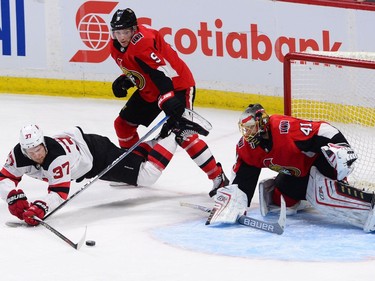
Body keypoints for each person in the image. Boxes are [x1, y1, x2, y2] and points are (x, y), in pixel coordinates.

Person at [0, 120, 212, 226]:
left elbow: (59, 193)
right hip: (88, 157)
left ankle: (174, 134)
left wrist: (40, 208)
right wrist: (11, 196)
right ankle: (162, 137)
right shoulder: (19, 155)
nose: (35, 154)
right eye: (30, 151)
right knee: (133, 162)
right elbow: (4, 177)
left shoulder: (57, 158)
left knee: (146, 176)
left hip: (97, 154)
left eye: (38, 149)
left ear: (43, 143)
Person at [108, 8, 228, 192]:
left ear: (134, 29)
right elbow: (143, 68)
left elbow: (163, 73)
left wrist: (167, 98)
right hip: (150, 89)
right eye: (117, 32)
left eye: (125, 32)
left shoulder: (143, 42)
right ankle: (130, 169)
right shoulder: (114, 46)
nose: (122, 37)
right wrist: (127, 80)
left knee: (183, 133)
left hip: (177, 85)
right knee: (122, 124)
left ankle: (218, 177)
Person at [206, 104, 375, 232]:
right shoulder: (247, 148)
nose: (248, 133)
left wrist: (341, 145)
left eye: (251, 127)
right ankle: (307, 194)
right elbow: (243, 178)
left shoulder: (285, 128)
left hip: (319, 163)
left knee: (324, 196)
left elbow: (322, 129)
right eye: (246, 129)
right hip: (297, 173)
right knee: (278, 201)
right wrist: (234, 202)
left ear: (262, 123)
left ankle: (370, 205)